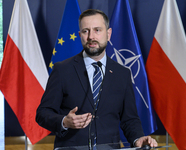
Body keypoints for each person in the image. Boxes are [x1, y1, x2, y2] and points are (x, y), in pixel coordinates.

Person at [36, 9, 158, 149]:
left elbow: (130, 119)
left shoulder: (122, 74)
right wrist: (64, 121)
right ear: (80, 35)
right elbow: (43, 113)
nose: (91, 37)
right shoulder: (62, 70)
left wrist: (138, 138)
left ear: (108, 34)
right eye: (85, 31)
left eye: (97, 30)